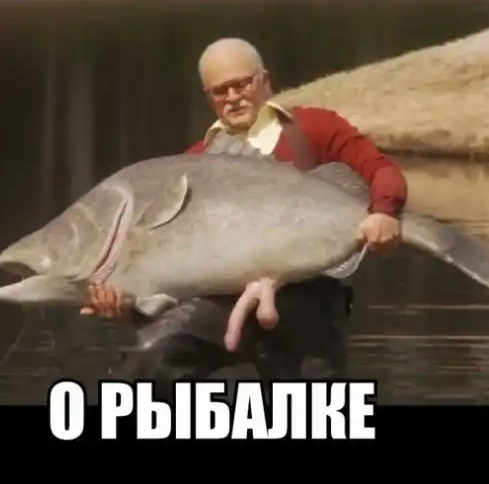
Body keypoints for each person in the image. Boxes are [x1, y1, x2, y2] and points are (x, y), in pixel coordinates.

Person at [80, 38, 408, 400]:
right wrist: (130, 307)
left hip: (308, 298)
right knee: (149, 357)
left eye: (242, 84)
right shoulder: (194, 163)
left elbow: (381, 170)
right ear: (208, 96)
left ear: (265, 80)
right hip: (223, 302)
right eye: (220, 91)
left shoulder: (314, 127)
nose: (233, 97)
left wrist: (383, 212)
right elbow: (179, 275)